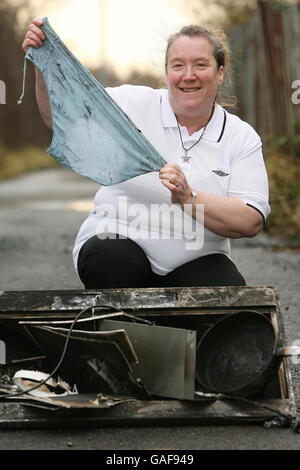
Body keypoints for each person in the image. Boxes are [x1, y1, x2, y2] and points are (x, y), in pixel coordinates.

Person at [22, 19, 270, 289]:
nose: (189, 75)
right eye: (178, 65)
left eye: (200, 64)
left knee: (227, 292)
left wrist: (189, 198)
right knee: (110, 259)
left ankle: (164, 326)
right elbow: (63, 118)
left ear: (220, 73)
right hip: (118, 245)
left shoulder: (241, 137)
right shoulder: (133, 103)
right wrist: (43, 60)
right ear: (166, 74)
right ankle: (130, 323)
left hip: (197, 257)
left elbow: (250, 220)